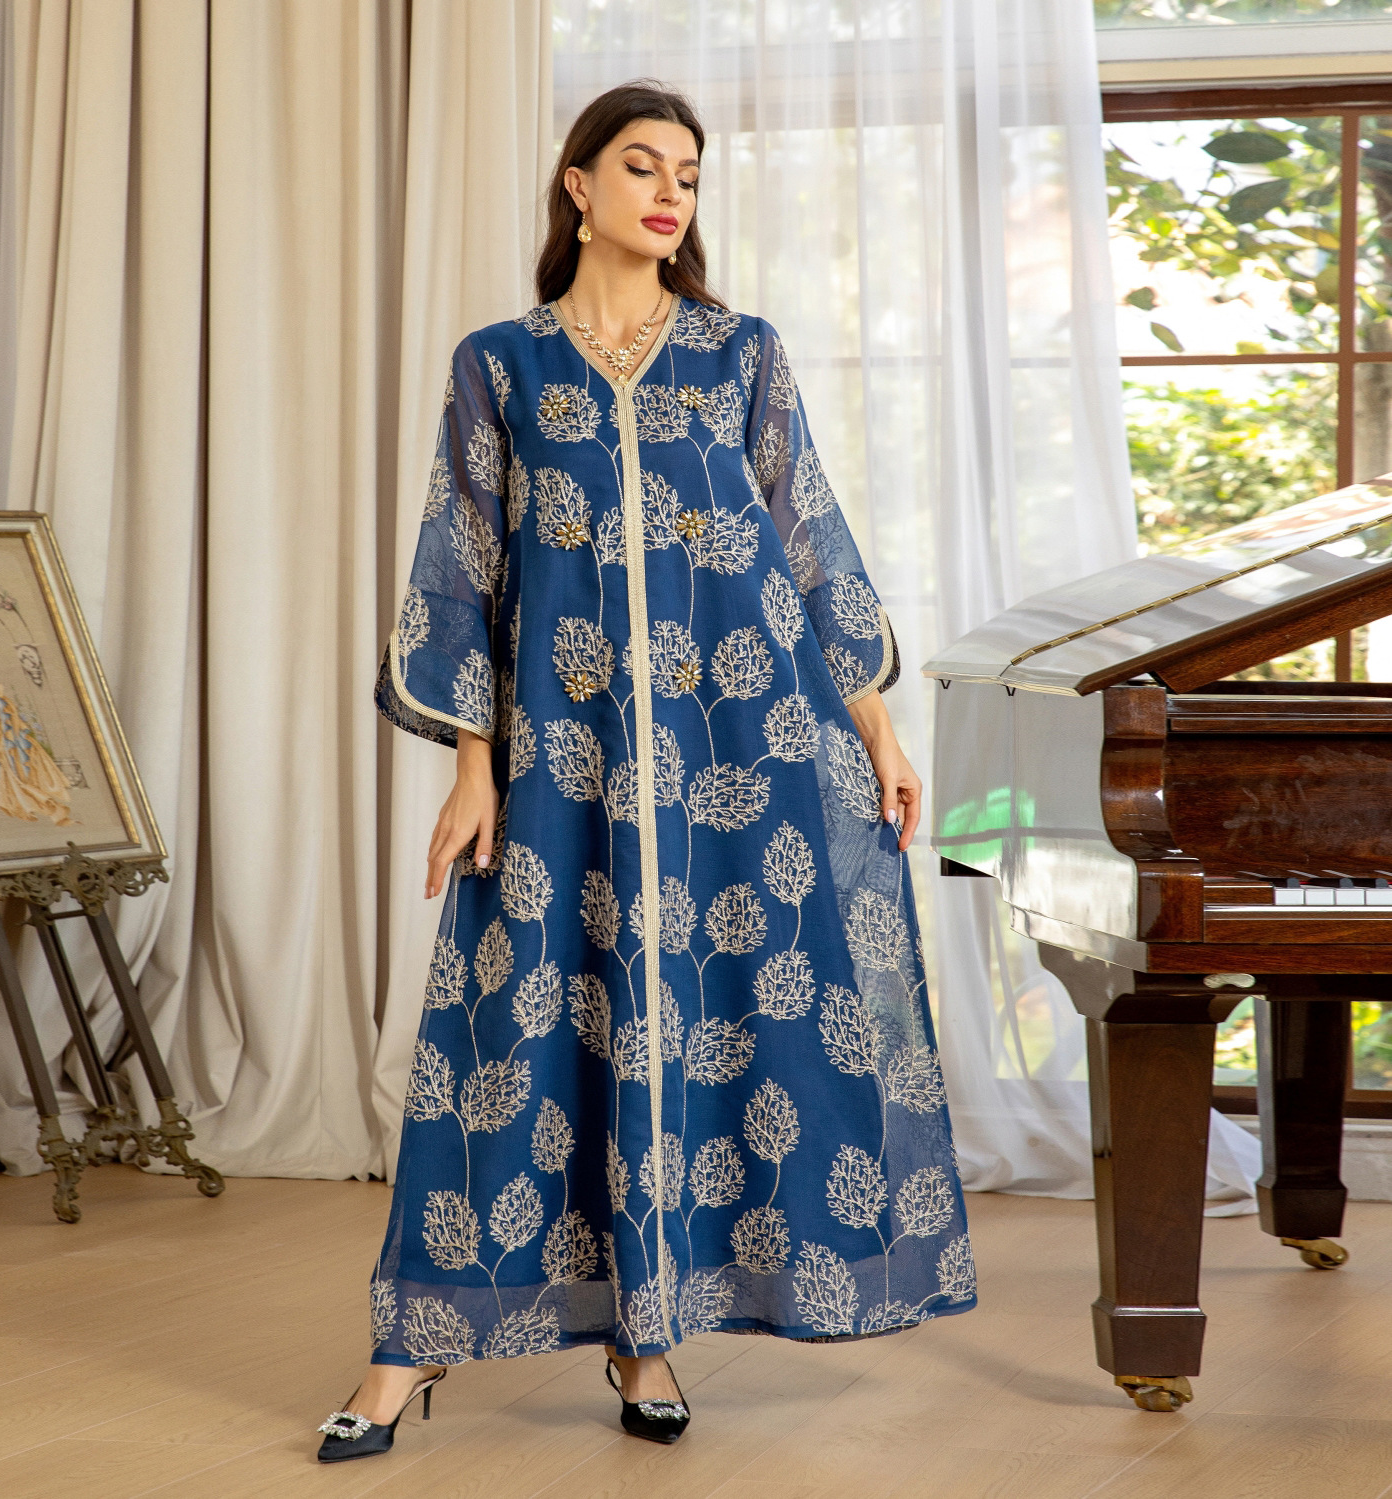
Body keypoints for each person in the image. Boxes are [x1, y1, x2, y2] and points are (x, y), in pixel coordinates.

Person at [317, 79, 974, 1465]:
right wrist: (473, 767)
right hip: (566, 759)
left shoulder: (740, 355)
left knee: (700, 1023)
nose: (670, 193)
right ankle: (409, 1346)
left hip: (742, 754)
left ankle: (648, 1334)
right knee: (518, 1034)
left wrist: (877, 730)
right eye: (640, 166)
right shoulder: (501, 366)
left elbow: (807, 540)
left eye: (688, 173)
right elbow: (465, 569)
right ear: (579, 185)